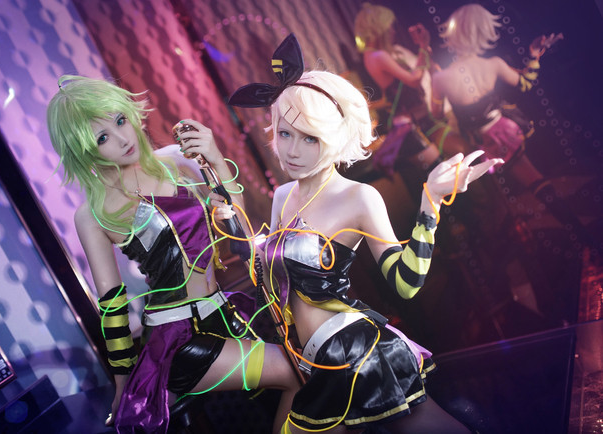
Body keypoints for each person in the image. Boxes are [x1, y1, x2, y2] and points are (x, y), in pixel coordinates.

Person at [227, 34, 502, 433]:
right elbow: (273, 280)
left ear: (334, 137)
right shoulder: (283, 196)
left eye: (310, 138)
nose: (292, 150)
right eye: (285, 133)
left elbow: (405, 283)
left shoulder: (358, 197)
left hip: (353, 350)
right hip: (311, 358)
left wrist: (430, 203)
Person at [46, 75, 299, 433]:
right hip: (177, 339)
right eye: (102, 138)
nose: (122, 138)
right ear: (83, 151)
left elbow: (237, 227)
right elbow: (113, 307)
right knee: (293, 373)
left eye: (120, 120)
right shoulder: (91, 215)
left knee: (302, 376)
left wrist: (215, 158)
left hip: (225, 312)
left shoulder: (176, 160)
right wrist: (123, 386)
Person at [430, 4, 591, 250]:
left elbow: (436, 115)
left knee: (507, 193)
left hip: (479, 144)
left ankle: (559, 242)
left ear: (453, 36)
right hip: (502, 133)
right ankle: (576, 237)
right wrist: (534, 57)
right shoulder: (493, 64)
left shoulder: (440, 79)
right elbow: (526, 82)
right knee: (529, 183)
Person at [353, 3, 467, 198]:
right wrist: (422, 47)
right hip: (409, 127)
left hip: (416, 122)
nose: (393, 31)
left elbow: (391, 91)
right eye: (389, 26)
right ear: (379, 27)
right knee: (444, 177)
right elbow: (413, 80)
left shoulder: (372, 55)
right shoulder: (378, 55)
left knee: (446, 174)